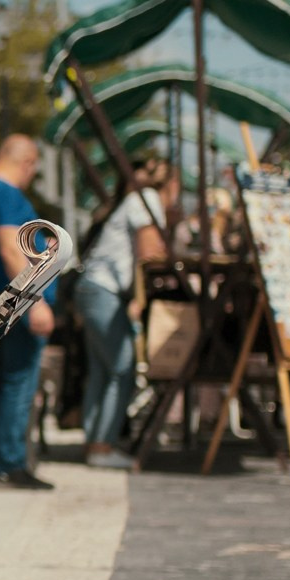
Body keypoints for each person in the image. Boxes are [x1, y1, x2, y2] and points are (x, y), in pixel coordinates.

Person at [0, 134, 56, 490]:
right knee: (18, 381)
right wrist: (36, 301)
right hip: (18, 301)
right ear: (28, 162)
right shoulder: (7, 195)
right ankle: (10, 465)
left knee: (0, 382)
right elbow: (8, 248)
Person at [75, 157, 176, 471]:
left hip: (92, 287)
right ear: (172, 185)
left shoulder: (134, 199)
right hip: (104, 290)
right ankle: (102, 447)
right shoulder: (148, 201)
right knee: (122, 368)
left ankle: (95, 443)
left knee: (103, 371)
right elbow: (151, 253)